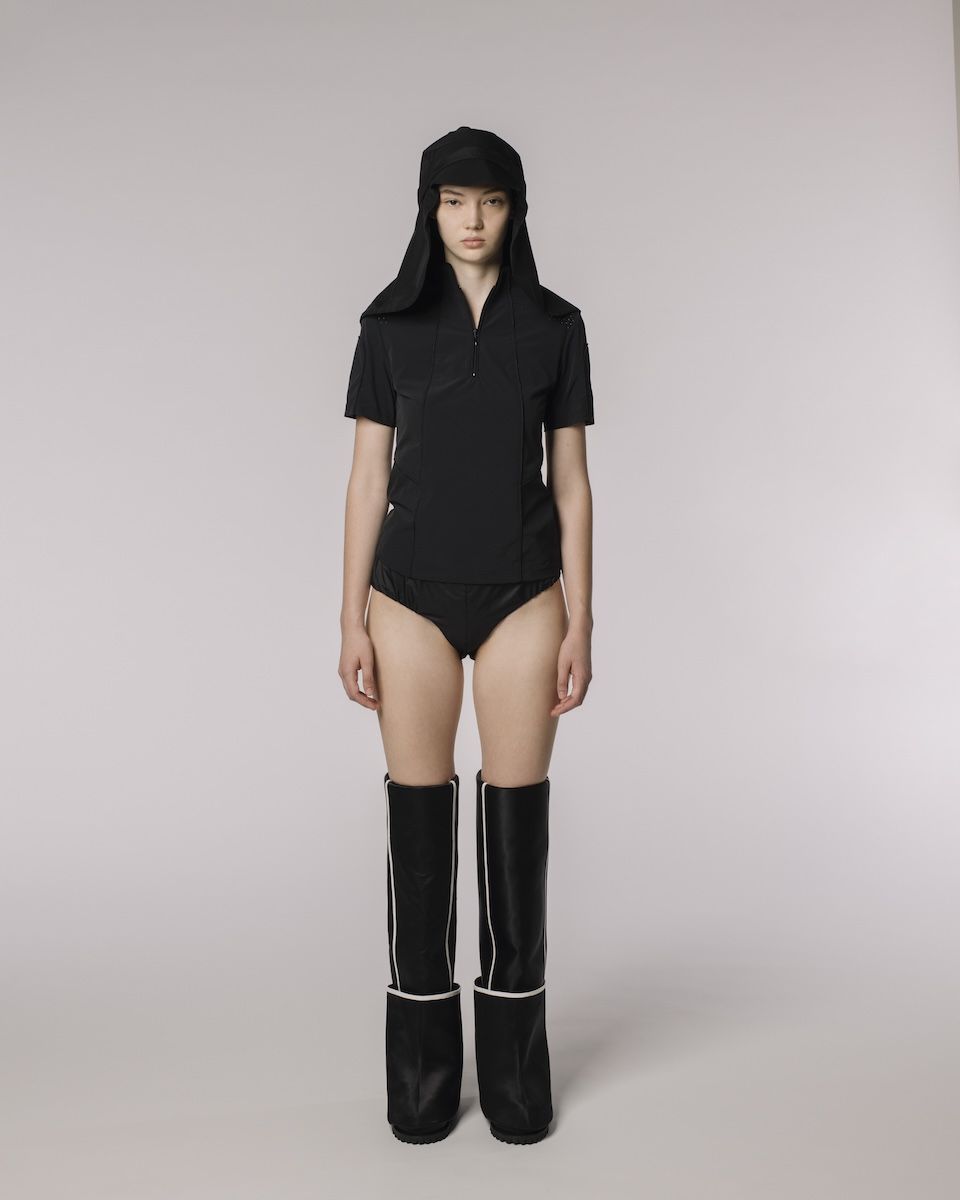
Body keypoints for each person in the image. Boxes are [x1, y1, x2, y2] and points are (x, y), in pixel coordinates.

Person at [339, 125, 595, 1145]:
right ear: (429, 209)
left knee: (516, 830)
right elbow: (367, 477)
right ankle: (422, 1073)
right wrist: (348, 615)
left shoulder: (558, 327)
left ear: (515, 207)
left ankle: (517, 1075)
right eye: (453, 201)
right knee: (418, 828)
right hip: (408, 599)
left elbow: (571, 484)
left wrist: (583, 617)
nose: (472, 219)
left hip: (525, 595)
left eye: (489, 200)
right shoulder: (388, 325)